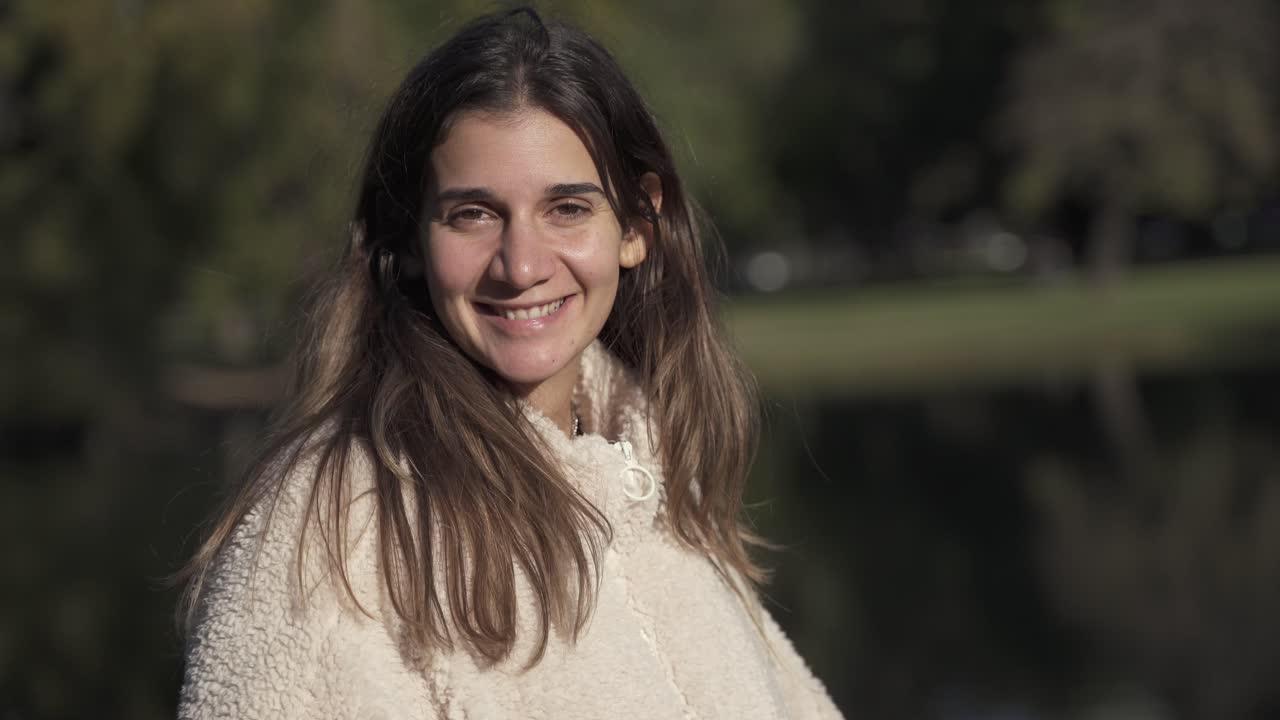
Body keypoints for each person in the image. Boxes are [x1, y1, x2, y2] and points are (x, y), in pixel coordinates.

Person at [176, 7, 843, 719]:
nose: (521, 265)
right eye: (473, 214)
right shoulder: (332, 533)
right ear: (407, 239)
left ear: (637, 226)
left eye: (567, 209)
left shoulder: (656, 481)